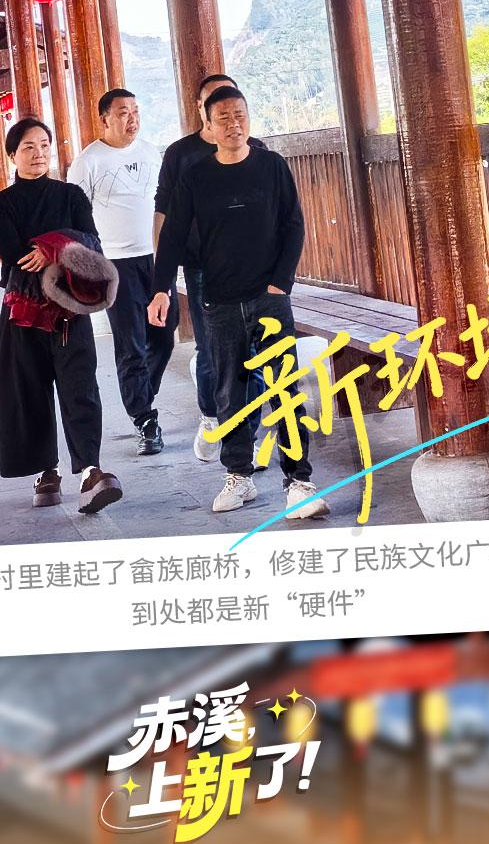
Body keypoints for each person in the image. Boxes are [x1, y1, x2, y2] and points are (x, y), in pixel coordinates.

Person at [148, 87, 328, 520]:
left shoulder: (272, 166)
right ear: (209, 126)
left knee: (284, 389)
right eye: (224, 118)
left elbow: (293, 225)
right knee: (230, 391)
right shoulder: (195, 177)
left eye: (240, 115)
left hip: (269, 298)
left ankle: (299, 482)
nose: (234, 124)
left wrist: (280, 284)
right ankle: (239, 476)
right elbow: (172, 237)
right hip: (219, 300)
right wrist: (160, 288)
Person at [0, 117, 123, 515]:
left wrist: (51, 248)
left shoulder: (71, 195)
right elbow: (16, 255)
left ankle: (91, 472)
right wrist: (63, 246)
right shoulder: (0, 204)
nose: (38, 154)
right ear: (12, 155)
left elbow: (93, 243)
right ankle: (47, 471)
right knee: (30, 390)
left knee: (81, 387)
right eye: (28, 147)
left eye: (44, 145)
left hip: (70, 310)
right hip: (23, 311)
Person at [153, 72, 265, 462]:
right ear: (202, 109)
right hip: (202, 268)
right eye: (216, 101)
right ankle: (211, 414)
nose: (227, 110)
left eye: (234, 103)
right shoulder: (181, 154)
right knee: (211, 350)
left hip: (251, 269)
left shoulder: (257, 151)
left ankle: (248, 437)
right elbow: (164, 211)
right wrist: (162, 275)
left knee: (253, 352)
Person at [68, 89, 177, 456]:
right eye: (123, 112)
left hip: (155, 258)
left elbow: (165, 204)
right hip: (115, 264)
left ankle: (141, 395)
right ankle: (145, 419)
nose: (132, 119)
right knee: (131, 344)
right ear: (105, 119)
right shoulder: (88, 162)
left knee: (164, 336)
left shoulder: (149, 152)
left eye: (135, 111)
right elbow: (75, 217)